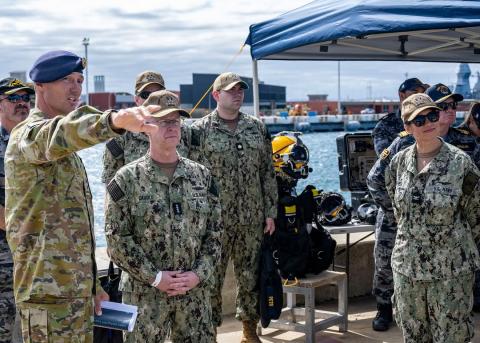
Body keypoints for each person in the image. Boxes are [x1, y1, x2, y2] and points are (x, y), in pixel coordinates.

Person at [5, 50, 161, 342]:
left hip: (76, 293)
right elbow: (62, 131)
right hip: (46, 296)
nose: (76, 88)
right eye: (66, 80)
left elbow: (74, 226)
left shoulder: (68, 151)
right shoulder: (27, 134)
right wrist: (114, 120)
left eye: (79, 80)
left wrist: (92, 285)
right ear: (40, 86)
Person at [105, 90, 222, 342]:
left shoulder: (202, 176)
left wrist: (198, 274)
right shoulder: (126, 179)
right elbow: (116, 239)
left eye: (176, 121)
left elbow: (215, 234)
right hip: (144, 296)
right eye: (164, 121)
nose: (172, 127)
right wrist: (156, 277)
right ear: (146, 127)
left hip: (194, 295)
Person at [187, 72, 277, 342]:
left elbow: (267, 172)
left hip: (252, 218)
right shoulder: (198, 131)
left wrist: (270, 211)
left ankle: (249, 332)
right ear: (216, 95)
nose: (238, 94)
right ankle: (209, 333)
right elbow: (189, 176)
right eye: (231, 91)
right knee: (210, 280)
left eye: (241, 90)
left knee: (250, 278)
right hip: (214, 222)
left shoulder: (257, 127)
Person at [385, 93, 480, 342]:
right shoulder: (397, 163)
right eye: (419, 120)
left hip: (450, 274)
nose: (428, 122)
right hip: (408, 270)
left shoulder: (462, 164)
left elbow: (476, 217)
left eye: (432, 115)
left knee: (452, 337)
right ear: (407, 127)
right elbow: (400, 211)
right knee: (413, 336)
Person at [102, 71, 192, 184]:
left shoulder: (182, 131)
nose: (153, 98)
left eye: (158, 93)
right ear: (137, 100)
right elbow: (111, 182)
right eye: (146, 95)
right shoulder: (121, 135)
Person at [0, 78, 34, 343]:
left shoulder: (36, 141)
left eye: (25, 98)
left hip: (36, 259)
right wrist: (24, 232)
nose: (22, 103)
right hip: (5, 258)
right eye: (13, 98)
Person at [372, 77, 428, 157]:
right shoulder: (385, 125)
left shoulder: (429, 121)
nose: (419, 97)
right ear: (402, 95)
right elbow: (385, 157)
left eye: (422, 93)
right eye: (415, 93)